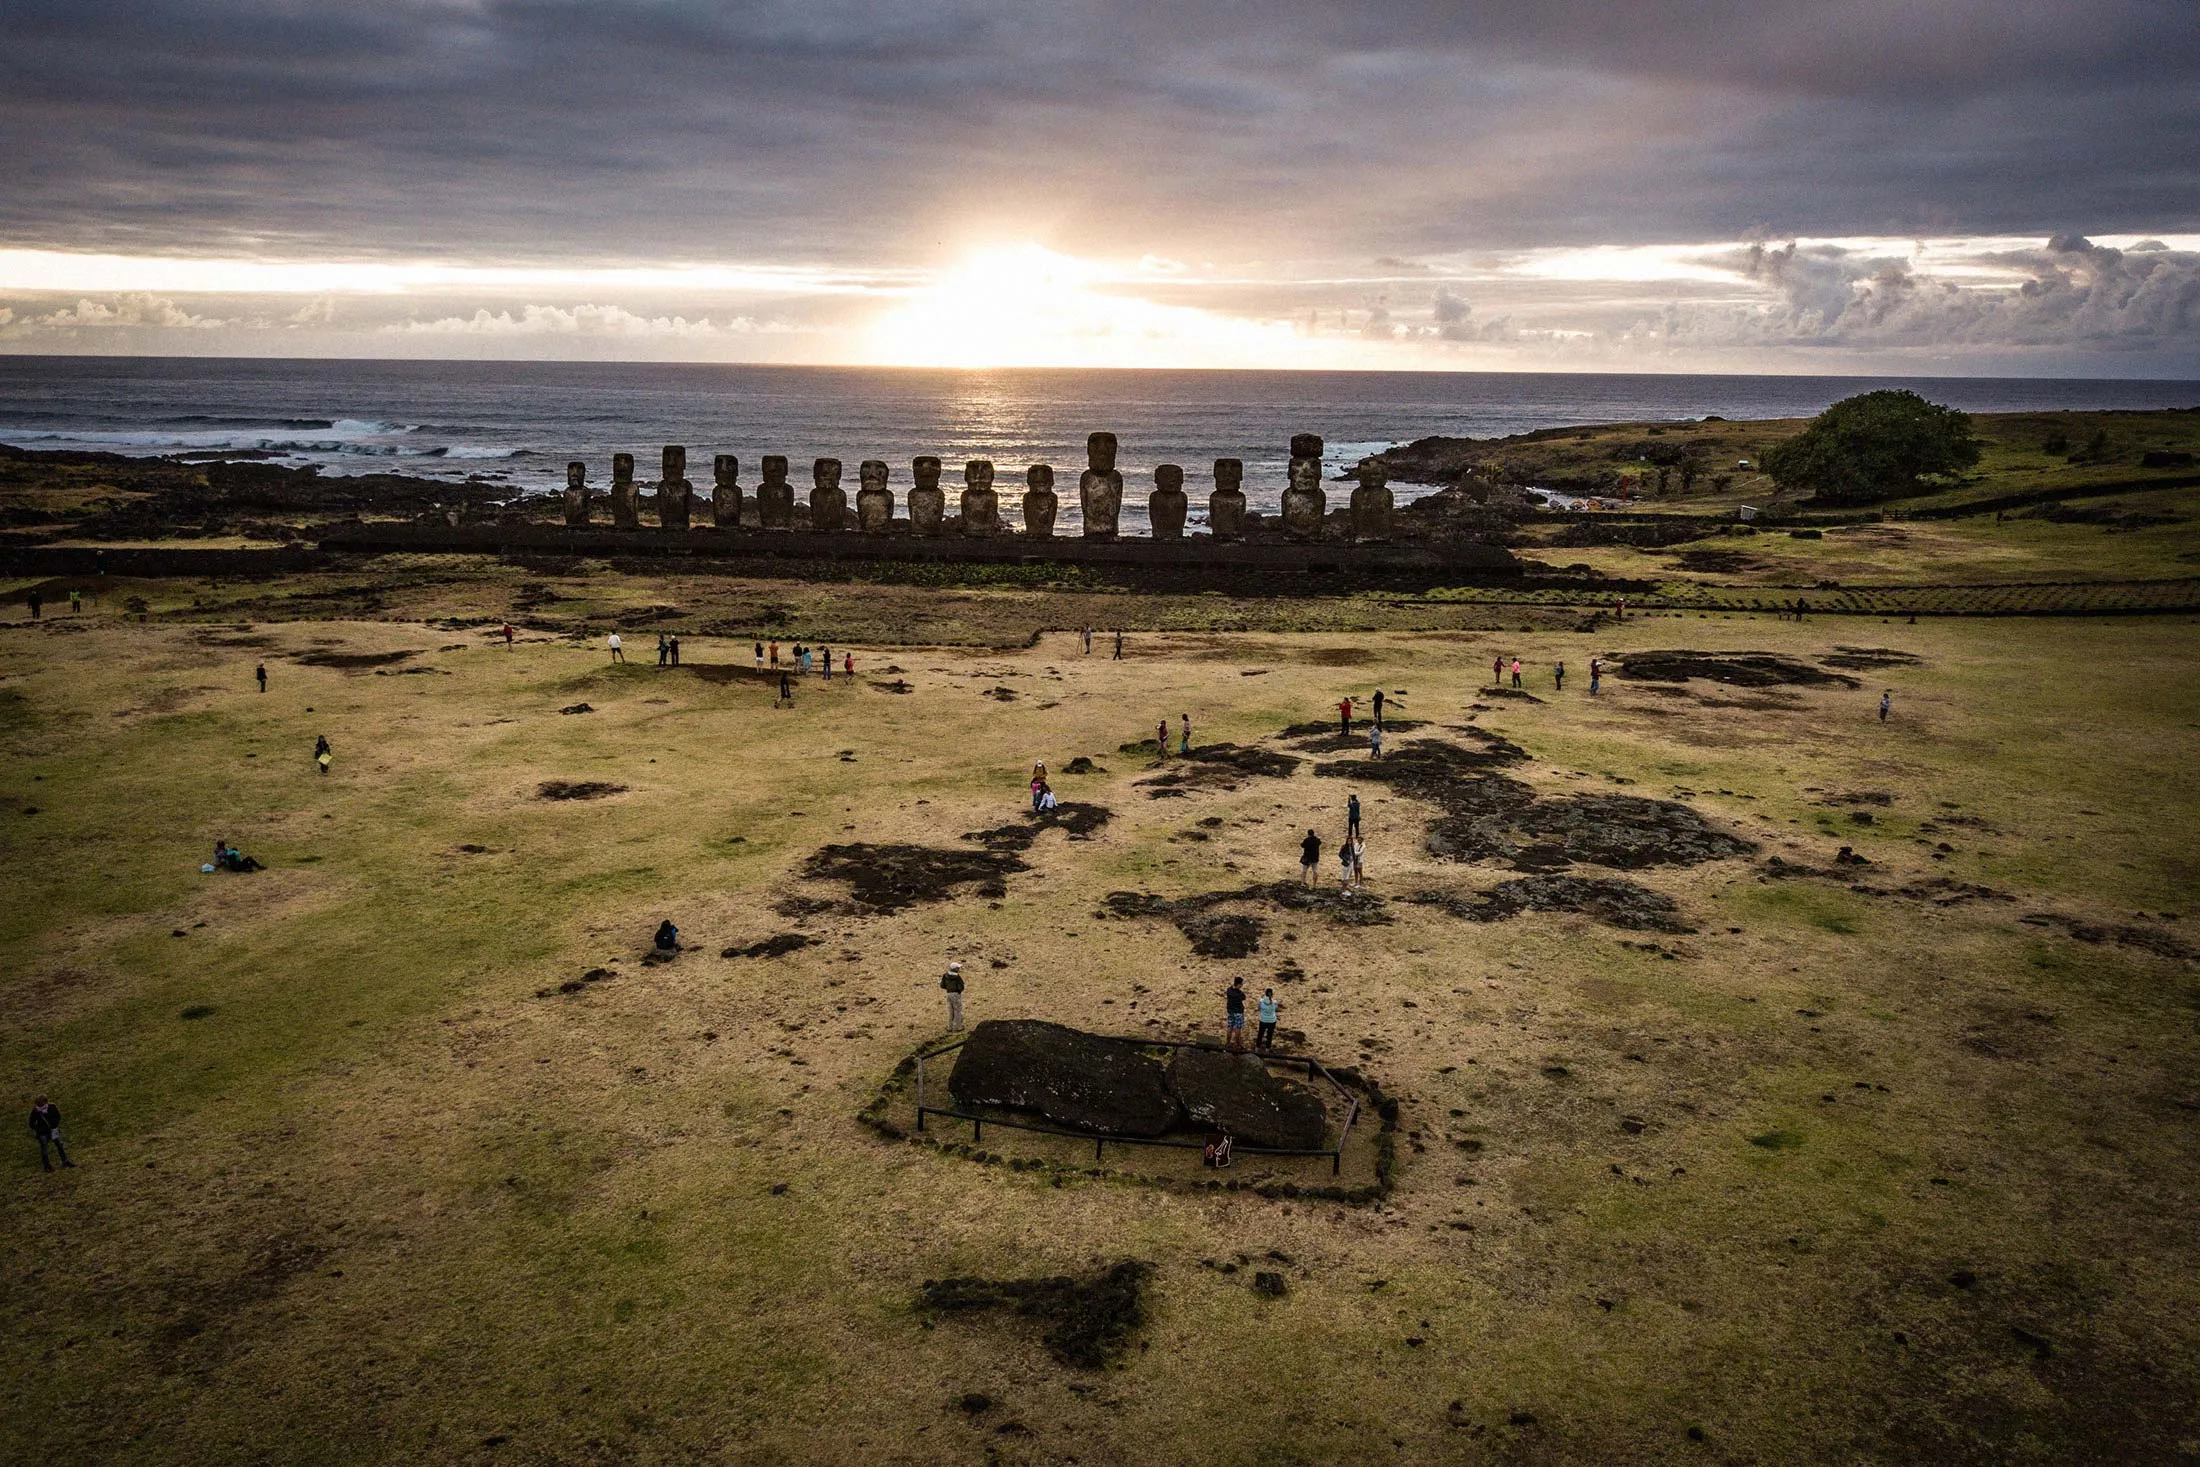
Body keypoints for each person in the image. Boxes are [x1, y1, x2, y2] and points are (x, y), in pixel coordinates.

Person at [29, 1097, 71, 1171]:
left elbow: (58, 1116)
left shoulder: (52, 1107)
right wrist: (39, 1129)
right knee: (44, 1149)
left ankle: (65, 1161)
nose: (39, 1105)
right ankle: (47, 1166)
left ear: (45, 1102)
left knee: (59, 1145)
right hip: (42, 1133)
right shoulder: (35, 1111)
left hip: (53, 1130)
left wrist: (53, 1124)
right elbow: (31, 1123)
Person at [1223, 977, 1248, 1052]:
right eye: (1241, 984)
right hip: (1238, 1013)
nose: (1242, 985)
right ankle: (1238, 1045)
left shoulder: (1229, 990)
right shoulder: (1239, 993)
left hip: (1231, 1012)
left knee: (1230, 1027)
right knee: (1238, 1029)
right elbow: (1244, 997)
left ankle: (1227, 1043)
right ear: (1238, 984)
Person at [941, 960, 966, 1031]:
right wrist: (958, 991)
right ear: (955, 969)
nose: (959, 969)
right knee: (957, 1011)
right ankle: (959, 1027)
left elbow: (942, 985)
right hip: (956, 994)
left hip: (948, 994)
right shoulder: (957, 977)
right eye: (958, 968)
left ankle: (949, 1027)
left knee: (950, 1011)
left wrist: (949, 988)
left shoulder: (945, 975)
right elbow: (961, 986)